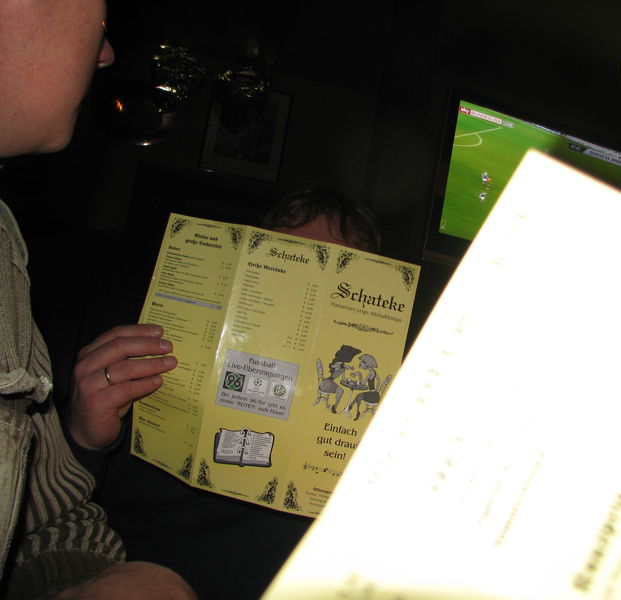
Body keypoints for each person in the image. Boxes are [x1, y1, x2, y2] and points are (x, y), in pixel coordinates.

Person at [65, 189, 382, 599]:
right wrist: (83, 441)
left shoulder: (380, 406)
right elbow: (58, 519)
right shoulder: (155, 363)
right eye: (288, 265)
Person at [0, 0, 195, 598]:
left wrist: (95, 581)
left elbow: (44, 524)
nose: (106, 52)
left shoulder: (5, 244)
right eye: (99, 15)